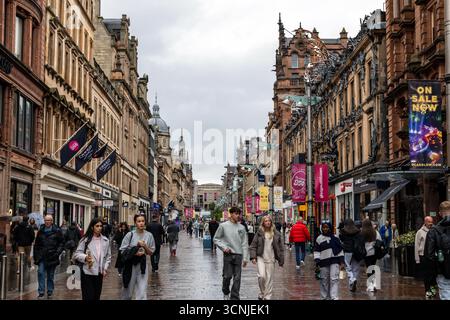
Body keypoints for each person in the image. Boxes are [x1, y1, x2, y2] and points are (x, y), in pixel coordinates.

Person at [214, 207, 249, 300]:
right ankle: (225, 291)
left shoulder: (241, 228)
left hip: (239, 255)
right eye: (236, 214)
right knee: (227, 276)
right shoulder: (223, 226)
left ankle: (234, 297)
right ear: (231, 214)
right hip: (228, 255)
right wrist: (224, 247)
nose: (238, 216)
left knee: (237, 278)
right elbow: (216, 239)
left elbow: (244, 243)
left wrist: (245, 258)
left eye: (239, 214)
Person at [73, 218, 111, 301]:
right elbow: (77, 254)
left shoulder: (106, 240)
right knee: (88, 296)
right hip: (87, 272)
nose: (100, 228)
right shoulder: (85, 240)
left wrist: (105, 268)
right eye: (97, 226)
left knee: (96, 297)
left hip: (99, 273)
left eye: (101, 226)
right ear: (92, 227)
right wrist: (85, 257)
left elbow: (108, 257)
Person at [120, 214, 155, 300]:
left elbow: (151, 252)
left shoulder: (149, 235)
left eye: (143, 221)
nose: (141, 223)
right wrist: (134, 252)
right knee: (127, 291)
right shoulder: (130, 235)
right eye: (139, 221)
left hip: (142, 265)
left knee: (142, 291)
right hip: (130, 265)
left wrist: (145, 246)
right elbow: (122, 250)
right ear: (135, 223)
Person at [250, 215, 284, 300]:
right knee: (262, 276)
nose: (268, 222)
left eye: (269, 221)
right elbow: (253, 246)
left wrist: (281, 260)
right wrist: (253, 257)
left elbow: (280, 248)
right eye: (266, 221)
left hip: (271, 258)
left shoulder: (276, 233)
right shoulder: (259, 233)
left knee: (269, 278)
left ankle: (267, 296)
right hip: (261, 257)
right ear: (263, 223)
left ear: (271, 222)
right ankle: (262, 292)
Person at [33, 215, 65, 299]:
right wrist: (36, 256)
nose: (47, 222)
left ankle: (50, 291)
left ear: (52, 221)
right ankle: (41, 291)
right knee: (40, 272)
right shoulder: (41, 230)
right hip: (42, 256)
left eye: (49, 220)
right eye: (46, 220)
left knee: (50, 275)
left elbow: (62, 243)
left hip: (52, 256)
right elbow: (36, 244)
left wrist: (57, 253)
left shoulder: (57, 230)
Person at [425, 201, 450, 300]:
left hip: (442, 270)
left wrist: (433, 274)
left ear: (440, 213)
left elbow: (429, 255)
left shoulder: (433, 231)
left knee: (446, 294)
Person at [314, 222, 344, 300]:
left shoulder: (335, 237)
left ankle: (334, 297)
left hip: (334, 260)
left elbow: (340, 249)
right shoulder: (319, 238)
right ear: (321, 228)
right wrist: (317, 261)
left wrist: (342, 261)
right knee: (324, 280)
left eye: (327, 227)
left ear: (330, 228)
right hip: (323, 262)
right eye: (324, 227)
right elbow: (316, 251)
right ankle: (324, 297)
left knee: (334, 279)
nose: (325, 229)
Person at [339, 219, 364, 292]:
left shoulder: (343, 231)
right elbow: (361, 240)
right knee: (355, 268)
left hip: (348, 251)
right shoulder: (358, 231)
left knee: (348, 267)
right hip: (356, 251)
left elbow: (341, 239)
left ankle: (352, 279)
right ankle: (353, 282)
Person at [415, 216, 437, 299]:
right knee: (426, 275)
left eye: (432, 221)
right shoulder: (420, 232)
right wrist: (417, 259)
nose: (431, 223)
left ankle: (432, 290)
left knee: (433, 275)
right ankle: (427, 291)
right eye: (429, 222)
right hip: (423, 256)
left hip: (432, 256)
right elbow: (416, 246)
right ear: (425, 222)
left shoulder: (434, 230)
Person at [361, 219, 381, 292]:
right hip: (374, 253)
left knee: (369, 268)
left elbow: (360, 243)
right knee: (372, 268)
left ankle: (371, 286)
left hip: (366, 254)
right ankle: (374, 284)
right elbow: (380, 240)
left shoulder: (362, 233)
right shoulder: (375, 232)